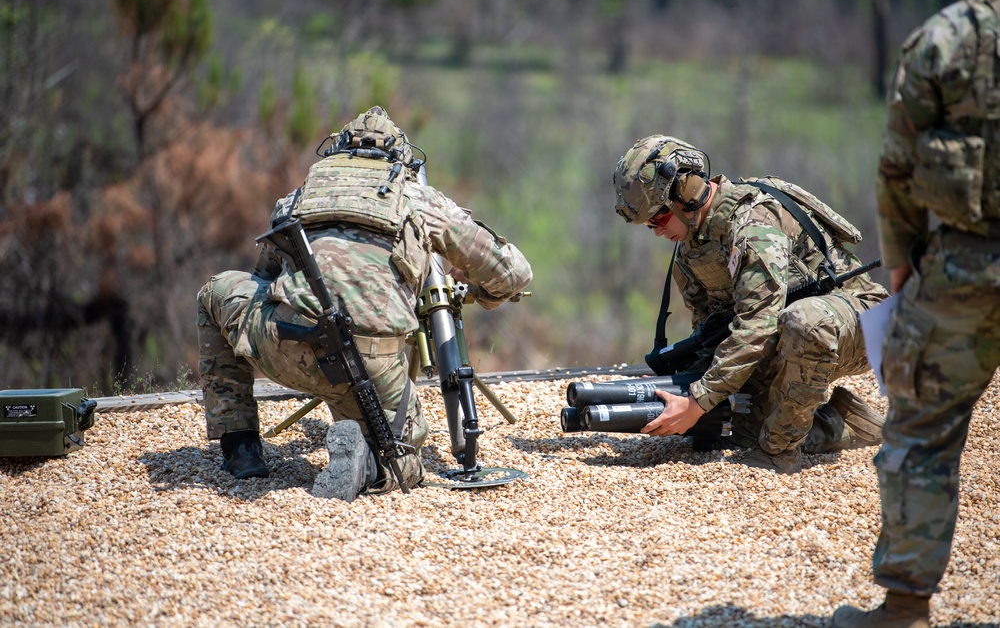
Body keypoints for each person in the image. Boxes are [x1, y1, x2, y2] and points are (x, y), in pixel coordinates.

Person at [196, 106, 532, 501]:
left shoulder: (298, 196)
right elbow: (515, 273)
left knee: (213, 294)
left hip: (286, 342)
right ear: (401, 158)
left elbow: (265, 281)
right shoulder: (420, 199)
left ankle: (241, 449)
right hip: (366, 367)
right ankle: (369, 463)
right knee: (403, 460)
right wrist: (484, 294)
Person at [832, 0, 1000, 628]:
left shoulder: (947, 37)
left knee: (921, 433)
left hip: (963, 267)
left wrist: (901, 264)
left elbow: (897, 167)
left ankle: (904, 608)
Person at [612, 135, 889, 473]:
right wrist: (692, 396)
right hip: (785, 332)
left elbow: (757, 327)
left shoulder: (753, 225)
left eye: (658, 219)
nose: (656, 233)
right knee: (731, 430)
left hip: (865, 323)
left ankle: (777, 455)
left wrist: (698, 401)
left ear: (686, 193)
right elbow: (713, 335)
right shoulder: (692, 251)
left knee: (804, 323)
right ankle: (843, 421)